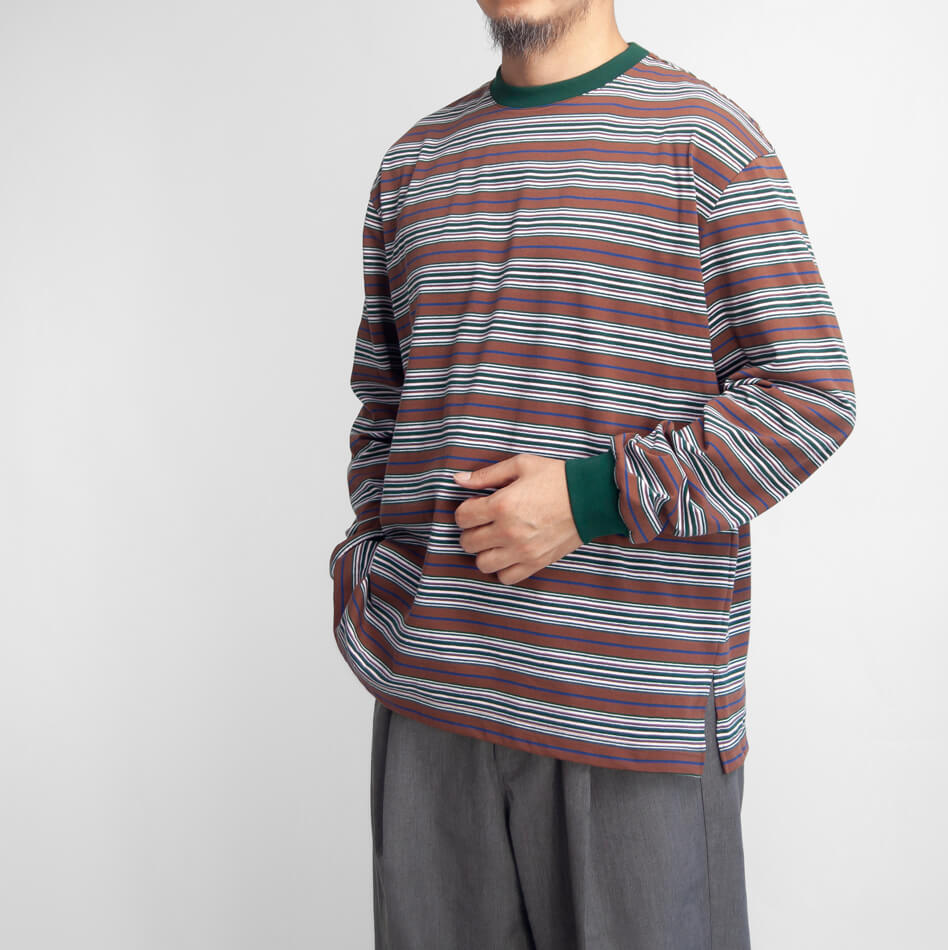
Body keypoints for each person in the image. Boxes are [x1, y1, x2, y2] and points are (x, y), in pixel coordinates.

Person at [328, 2, 857, 946]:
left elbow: (809, 398)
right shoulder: (413, 165)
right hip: (432, 707)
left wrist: (589, 500)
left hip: (630, 722)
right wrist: (372, 588)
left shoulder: (706, 143)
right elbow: (384, 406)